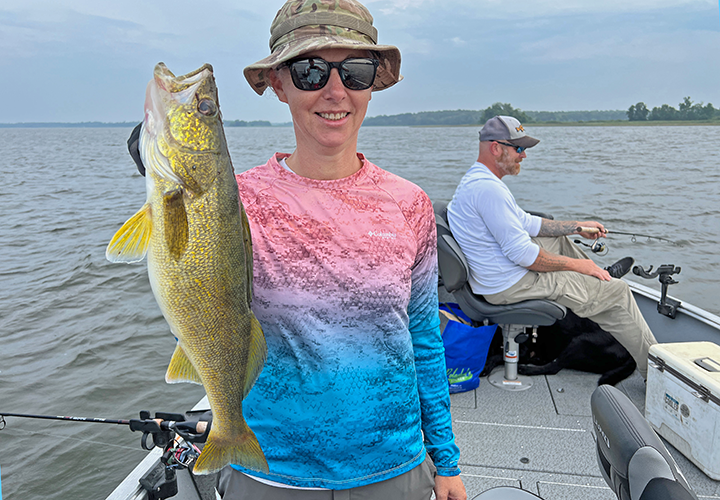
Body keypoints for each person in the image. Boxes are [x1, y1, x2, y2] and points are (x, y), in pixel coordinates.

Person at [217, 1, 466, 499]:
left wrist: (447, 459)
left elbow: (422, 336)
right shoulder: (232, 202)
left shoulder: (409, 204)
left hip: (394, 465)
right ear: (278, 84)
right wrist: (169, 172)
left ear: (373, 83)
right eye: (310, 71)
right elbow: (192, 284)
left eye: (355, 71)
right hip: (266, 467)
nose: (335, 91)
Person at [447, 115, 657, 380]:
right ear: (495, 147)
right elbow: (523, 255)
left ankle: (594, 281)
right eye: (519, 149)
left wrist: (578, 227)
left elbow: (529, 223)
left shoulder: (478, 181)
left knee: (557, 238)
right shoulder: (490, 191)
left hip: (497, 276)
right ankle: (657, 375)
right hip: (510, 284)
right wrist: (580, 264)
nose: (523, 156)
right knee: (618, 292)